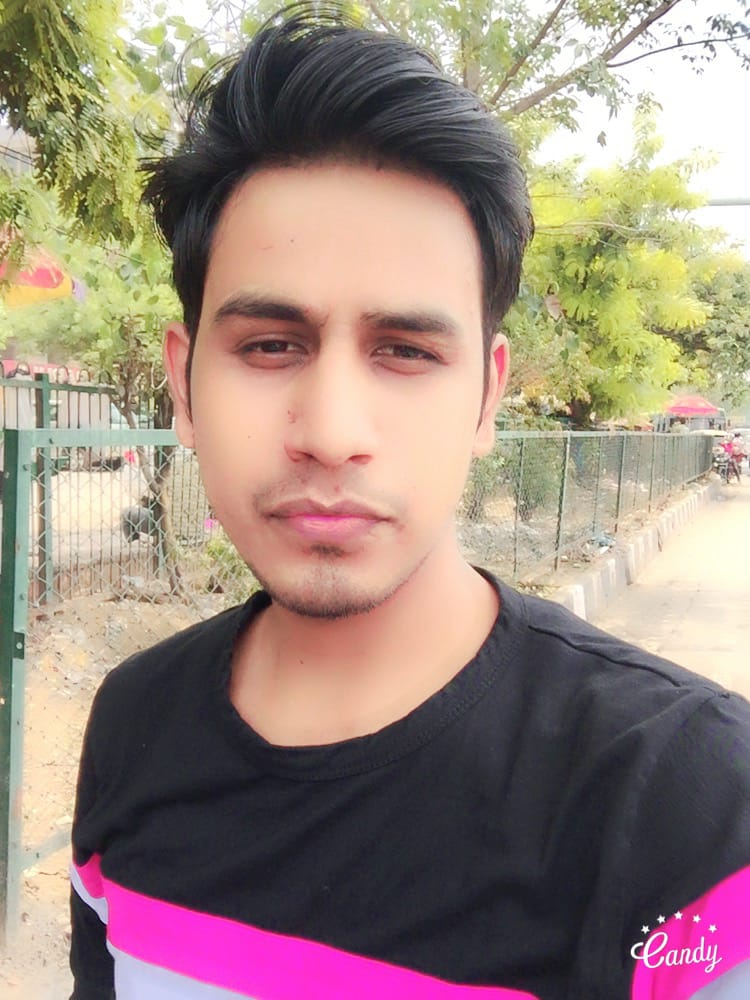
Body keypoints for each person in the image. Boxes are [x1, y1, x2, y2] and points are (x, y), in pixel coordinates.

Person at [69, 7, 750, 999]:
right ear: (183, 383)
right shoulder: (134, 723)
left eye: (406, 350)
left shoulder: (690, 809)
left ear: (487, 395)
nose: (331, 430)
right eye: (270, 345)